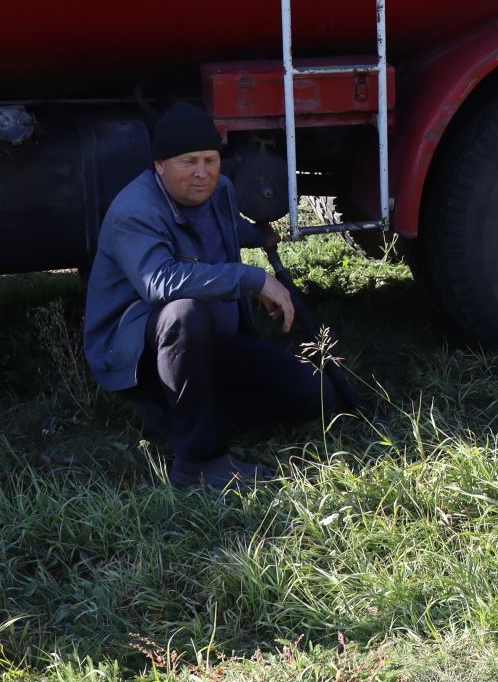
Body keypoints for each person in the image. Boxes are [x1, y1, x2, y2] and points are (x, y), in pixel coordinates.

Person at [83, 103, 331, 489]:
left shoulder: (221, 191)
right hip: (139, 353)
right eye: (188, 162)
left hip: (212, 345)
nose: (202, 173)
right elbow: (159, 282)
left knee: (312, 393)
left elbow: (223, 228)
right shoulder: (134, 210)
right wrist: (252, 279)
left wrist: (257, 236)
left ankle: (176, 412)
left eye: (210, 160)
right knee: (183, 313)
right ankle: (198, 459)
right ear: (160, 165)